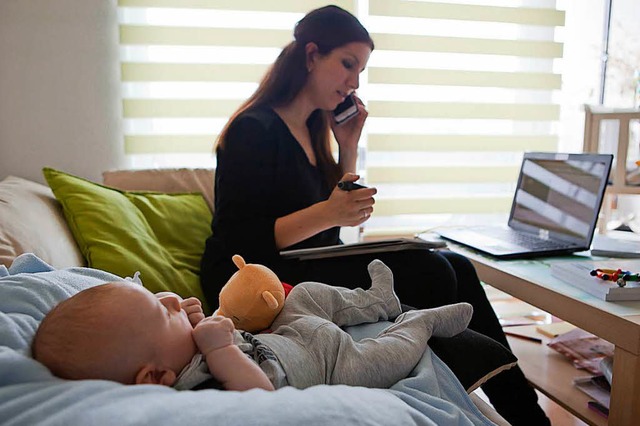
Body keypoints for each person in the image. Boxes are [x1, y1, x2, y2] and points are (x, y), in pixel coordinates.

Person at [199, 5, 550, 425]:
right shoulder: (253, 129)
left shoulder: (311, 129)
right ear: (311, 56)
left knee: (458, 266)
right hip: (257, 275)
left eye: (361, 70)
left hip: (304, 261)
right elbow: (242, 240)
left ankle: (525, 414)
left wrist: (346, 143)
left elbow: (334, 226)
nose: (354, 82)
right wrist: (328, 212)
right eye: (348, 64)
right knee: (433, 270)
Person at [32, 260, 473, 392]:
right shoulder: (195, 387)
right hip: (332, 365)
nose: (169, 298)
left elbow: (212, 337)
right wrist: (220, 351)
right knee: (390, 357)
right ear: (154, 377)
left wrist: (193, 323)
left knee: (302, 294)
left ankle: (375, 301)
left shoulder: (178, 351)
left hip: (287, 335)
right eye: (160, 310)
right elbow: (258, 392)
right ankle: (421, 323)